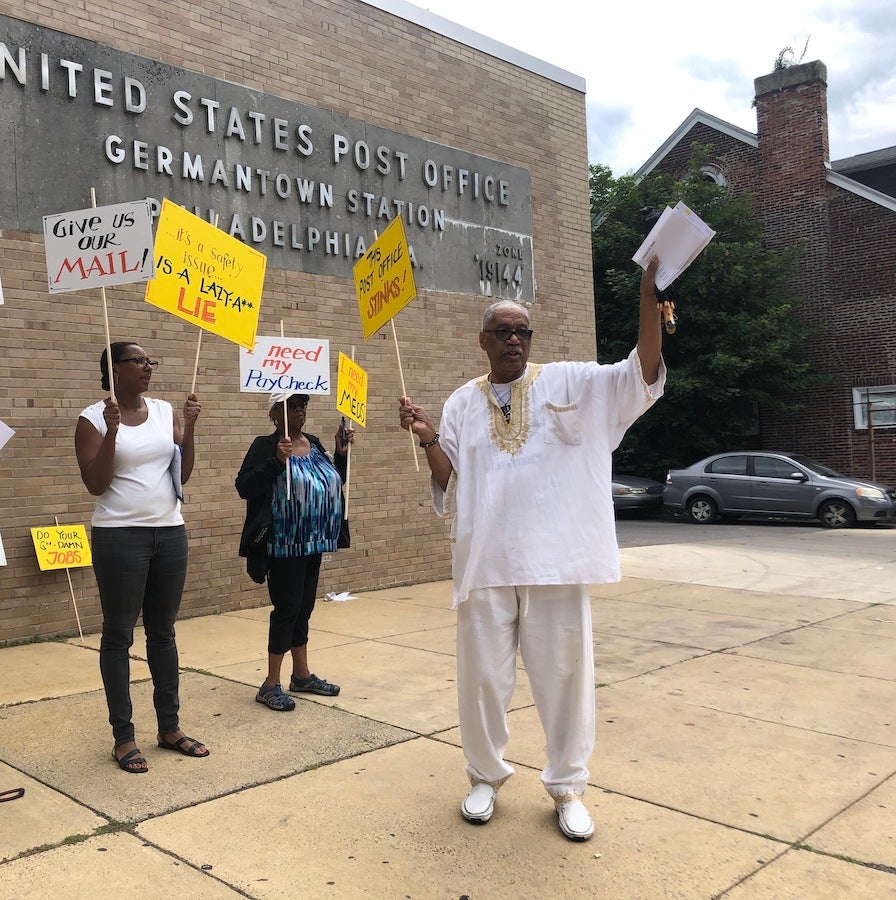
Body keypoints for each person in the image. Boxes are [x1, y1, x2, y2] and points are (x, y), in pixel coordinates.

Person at [397, 258, 666, 841]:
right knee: (483, 680)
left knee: (565, 677)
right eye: (503, 331)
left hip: (556, 561)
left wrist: (648, 293)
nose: (514, 339)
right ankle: (485, 776)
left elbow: (640, 373)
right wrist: (425, 439)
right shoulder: (460, 403)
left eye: (523, 331)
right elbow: (451, 477)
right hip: (484, 561)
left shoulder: (571, 382)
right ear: (483, 341)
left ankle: (568, 786)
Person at [74, 341, 206, 774]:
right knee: (118, 636)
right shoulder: (92, 420)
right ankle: (123, 737)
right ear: (114, 370)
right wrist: (113, 432)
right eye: (138, 361)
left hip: (169, 531)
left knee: (163, 633)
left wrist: (190, 428)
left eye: (152, 360)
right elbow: (96, 484)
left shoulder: (167, 412)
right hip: (119, 536)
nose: (148, 367)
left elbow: (181, 474)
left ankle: (170, 727)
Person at [235, 391, 353, 712]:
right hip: (283, 543)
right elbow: (244, 486)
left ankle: (301, 675)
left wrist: (341, 454)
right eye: (293, 406)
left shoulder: (314, 443)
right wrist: (276, 461)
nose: (301, 410)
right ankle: (270, 682)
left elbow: (331, 481)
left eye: (303, 405)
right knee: (287, 609)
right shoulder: (265, 445)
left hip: (314, 540)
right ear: (276, 413)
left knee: (304, 608)